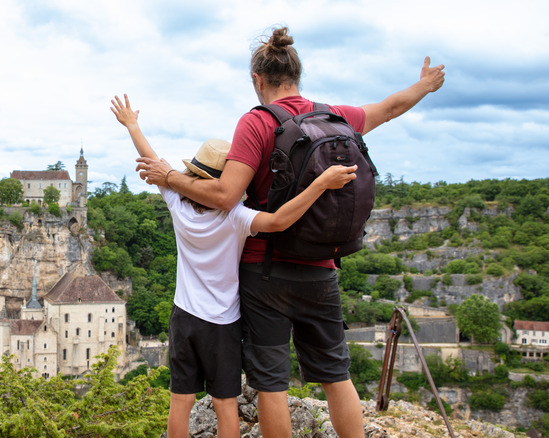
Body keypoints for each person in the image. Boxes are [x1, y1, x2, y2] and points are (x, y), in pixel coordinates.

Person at [135, 27, 445, 438]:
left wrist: (170, 177)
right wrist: (423, 86)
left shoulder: (257, 122)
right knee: (336, 374)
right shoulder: (334, 117)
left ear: (257, 80)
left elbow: (226, 195)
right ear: (297, 76)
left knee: (271, 382)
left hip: (266, 272)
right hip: (322, 266)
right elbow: (388, 108)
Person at [111, 93, 357, 438]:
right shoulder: (235, 217)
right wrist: (320, 183)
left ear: (194, 176)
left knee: (179, 401)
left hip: (184, 316)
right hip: (222, 323)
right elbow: (279, 221)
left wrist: (132, 126)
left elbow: (154, 162)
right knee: (225, 403)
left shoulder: (178, 205)